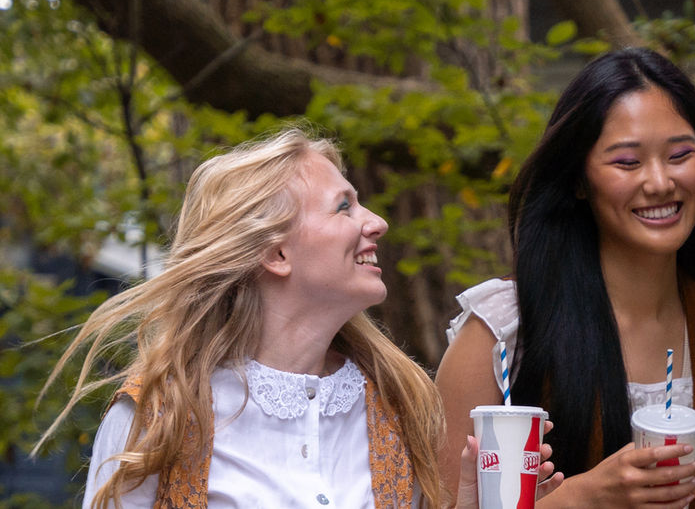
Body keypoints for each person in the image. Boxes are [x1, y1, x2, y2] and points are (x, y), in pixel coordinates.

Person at [34, 128, 558, 508]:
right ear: (276, 254)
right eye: (344, 206)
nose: (377, 222)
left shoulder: (401, 403)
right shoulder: (157, 417)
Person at [436, 48, 695, 508]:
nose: (659, 182)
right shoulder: (502, 331)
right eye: (627, 162)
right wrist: (582, 496)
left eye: (680, 155)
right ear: (579, 180)